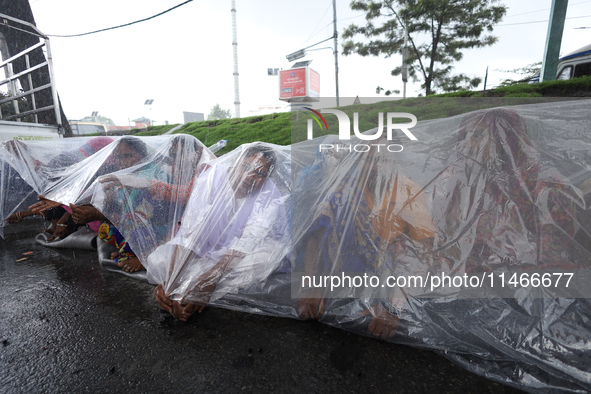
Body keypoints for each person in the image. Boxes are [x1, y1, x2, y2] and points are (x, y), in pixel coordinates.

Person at [295, 137, 435, 339]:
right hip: (338, 280)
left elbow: (423, 251)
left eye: (384, 159)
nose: (377, 166)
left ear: (397, 160)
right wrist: (311, 286)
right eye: (370, 159)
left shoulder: (410, 191)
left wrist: (394, 306)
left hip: (388, 283)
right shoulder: (343, 188)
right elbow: (316, 240)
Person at [432, 108, 581, 273]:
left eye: (478, 134)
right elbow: (444, 237)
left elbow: (550, 252)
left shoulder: (543, 186)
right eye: (466, 135)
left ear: (506, 139)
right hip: (468, 280)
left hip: (526, 283)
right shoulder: (465, 183)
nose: (467, 143)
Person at [152, 143, 289, 321]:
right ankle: (185, 294)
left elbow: (248, 240)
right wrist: (170, 284)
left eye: (260, 174)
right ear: (236, 163)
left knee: (267, 258)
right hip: (205, 244)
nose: (249, 176)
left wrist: (211, 279)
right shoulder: (211, 179)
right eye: (246, 167)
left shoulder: (269, 195)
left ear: (267, 178)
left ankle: (195, 293)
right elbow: (191, 232)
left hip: (242, 253)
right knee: (163, 260)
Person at [93, 135, 213, 273]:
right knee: (114, 228)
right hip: (173, 221)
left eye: (182, 154)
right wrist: (110, 200)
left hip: (197, 222)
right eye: (173, 155)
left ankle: (148, 257)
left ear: (198, 151)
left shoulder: (207, 169)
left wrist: (147, 184)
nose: (177, 159)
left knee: (148, 225)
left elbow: (188, 195)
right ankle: (136, 250)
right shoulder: (176, 168)